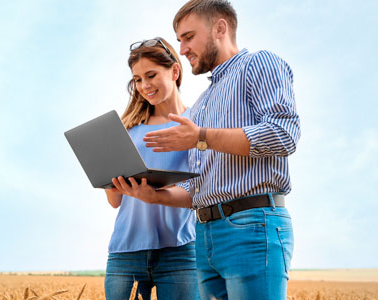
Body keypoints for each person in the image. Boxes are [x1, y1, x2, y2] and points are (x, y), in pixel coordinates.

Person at [112, 1, 301, 299]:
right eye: (180, 41)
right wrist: (155, 196)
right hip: (205, 237)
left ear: (220, 28)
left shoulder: (258, 64)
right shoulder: (200, 105)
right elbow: (195, 190)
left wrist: (201, 137)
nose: (183, 49)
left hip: (250, 226)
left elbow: (283, 134)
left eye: (188, 37)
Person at [104, 37, 199, 300]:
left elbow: (205, 190)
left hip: (181, 251)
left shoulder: (196, 124)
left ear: (175, 71)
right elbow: (114, 201)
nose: (144, 85)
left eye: (151, 75)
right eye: (137, 79)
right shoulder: (127, 128)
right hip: (126, 252)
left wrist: (159, 192)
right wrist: (110, 177)